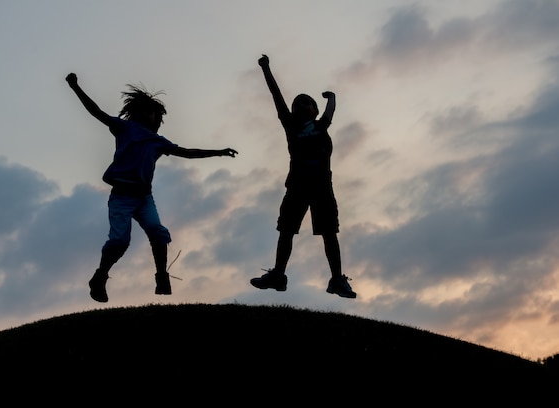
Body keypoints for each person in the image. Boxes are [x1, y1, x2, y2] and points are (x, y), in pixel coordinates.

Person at [66, 73, 237, 302]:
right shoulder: (124, 128)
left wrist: (218, 152)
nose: (157, 120)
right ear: (143, 114)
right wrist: (75, 87)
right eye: (155, 115)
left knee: (157, 232)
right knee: (119, 242)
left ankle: (161, 275)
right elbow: (96, 112)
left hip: (144, 198)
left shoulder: (158, 142)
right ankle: (100, 277)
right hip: (121, 197)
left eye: (158, 117)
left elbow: (187, 153)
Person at [250, 54, 356, 298]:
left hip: (322, 189)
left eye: (306, 102)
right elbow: (276, 96)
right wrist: (266, 69)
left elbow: (330, 111)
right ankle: (278, 274)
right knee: (286, 231)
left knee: (329, 233)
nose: (300, 105)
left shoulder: (321, 127)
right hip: (297, 187)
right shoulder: (290, 126)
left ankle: (337, 279)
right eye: (296, 104)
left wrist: (332, 97)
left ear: (315, 110)